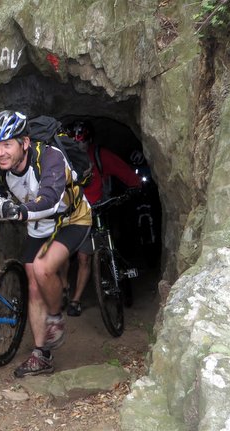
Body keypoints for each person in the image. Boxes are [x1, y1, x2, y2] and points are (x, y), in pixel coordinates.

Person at [0, 110, 92, 377]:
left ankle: (55, 316)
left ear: (25, 143)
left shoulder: (50, 157)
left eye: (7, 144)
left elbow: (52, 200)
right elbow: (4, 197)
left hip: (72, 219)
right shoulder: (3, 172)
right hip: (39, 226)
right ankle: (41, 355)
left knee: (43, 268)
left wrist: (19, 212)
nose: (0, 152)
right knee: (33, 283)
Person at [61, 120, 141, 317]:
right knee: (62, 255)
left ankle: (76, 300)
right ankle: (64, 288)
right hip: (70, 213)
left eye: (82, 142)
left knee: (84, 256)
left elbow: (124, 172)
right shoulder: (61, 160)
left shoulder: (98, 155)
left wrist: (135, 184)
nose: (79, 147)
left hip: (96, 210)